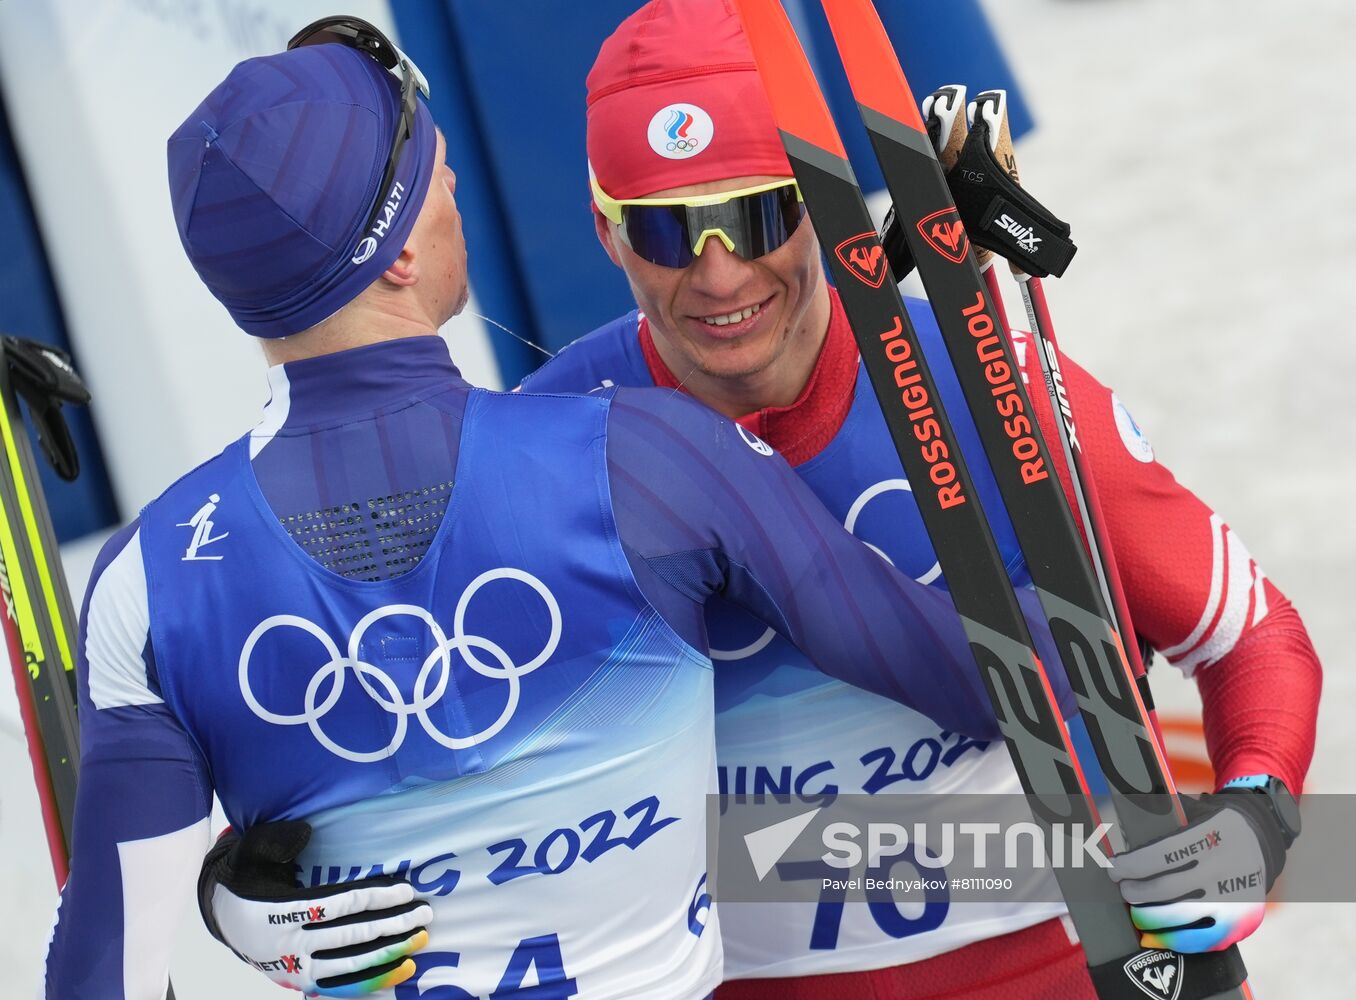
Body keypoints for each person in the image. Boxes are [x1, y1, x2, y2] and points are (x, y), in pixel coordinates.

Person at [38, 16, 1044, 1000]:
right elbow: (1014, 690)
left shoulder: (146, 580)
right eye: (435, 171)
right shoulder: (639, 456)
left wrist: (223, 897)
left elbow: (99, 972)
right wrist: (947, 303)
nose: (456, 185)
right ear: (394, 254)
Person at [520, 1, 1319, 997]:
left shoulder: (992, 378)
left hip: (1071, 955)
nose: (719, 273)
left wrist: (1257, 816)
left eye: (759, 214)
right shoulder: (544, 445)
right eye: (669, 233)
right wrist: (274, 885)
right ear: (607, 231)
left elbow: (1249, 637)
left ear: (823, 200)